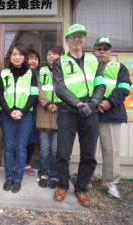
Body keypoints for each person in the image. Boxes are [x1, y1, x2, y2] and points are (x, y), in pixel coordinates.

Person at [53, 24, 106, 207]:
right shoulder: (60, 62)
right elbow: (59, 88)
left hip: (90, 111)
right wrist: (78, 103)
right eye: (73, 36)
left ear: (84, 40)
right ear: (67, 40)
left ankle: (81, 189)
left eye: (80, 36)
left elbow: (101, 85)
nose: (77, 39)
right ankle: (62, 185)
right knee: (62, 153)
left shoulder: (94, 61)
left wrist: (92, 104)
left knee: (89, 154)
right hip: (68, 111)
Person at [93, 37, 131, 198]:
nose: (102, 52)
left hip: (111, 114)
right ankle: (85, 180)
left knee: (111, 151)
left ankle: (111, 184)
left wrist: (108, 102)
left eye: (105, 49)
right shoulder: (89, 67)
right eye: (99, 49)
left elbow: (123, 88)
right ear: (94, 51)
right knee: (87, 150)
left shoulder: (119, 67)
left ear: (111, 51)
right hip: (90, 114)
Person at [0, 43, 39, 193]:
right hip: (7, 116)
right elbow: (0, 95)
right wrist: (10, 112)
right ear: (10, 56)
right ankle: (9, 177)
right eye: (14, 54)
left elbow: (33, 95)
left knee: (21, 148)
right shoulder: (4, 73)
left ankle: (17, 179)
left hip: (25, 116)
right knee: (8, 148)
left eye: (20, 54)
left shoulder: (31, 73)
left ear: (25, 57)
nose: (17, 57)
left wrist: (22, 111)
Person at [36, 46, 64, 189]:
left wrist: (58, 104)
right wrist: (47, 104)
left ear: (61, 56)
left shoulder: (66, 72)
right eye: (49, 53)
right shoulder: (42, 71)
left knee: (55, 149)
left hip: (60, 113)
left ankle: (54, 175)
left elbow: (69, 90)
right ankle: (43, 174)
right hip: (44, 112)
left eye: (55, 54)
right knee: (45, 148)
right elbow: (39, 89)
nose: (51, 56)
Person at [24, 48, 41, 176]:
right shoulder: (22, 73)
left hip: (37, 111)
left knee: (31, 139)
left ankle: (27, 164)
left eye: (36, 59)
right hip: (23, 110)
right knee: (20, 138)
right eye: (30, 58)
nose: (33, 61)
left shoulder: (41, 74)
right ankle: (18, 162)